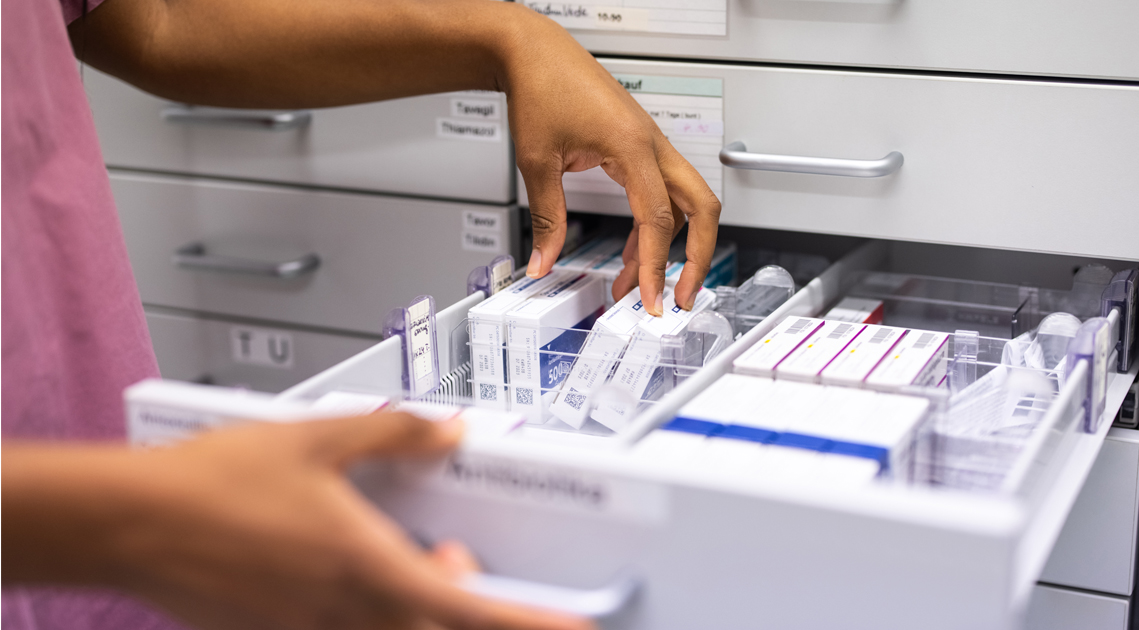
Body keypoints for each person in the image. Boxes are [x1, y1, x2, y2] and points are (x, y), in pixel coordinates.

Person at [0, 0, 721, 628]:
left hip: (83, 485)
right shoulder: (135, 529)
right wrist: (134, 524)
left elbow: (155, 18)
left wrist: (513, 39)